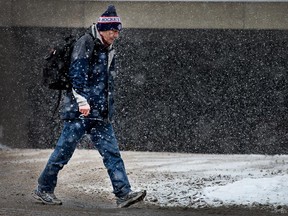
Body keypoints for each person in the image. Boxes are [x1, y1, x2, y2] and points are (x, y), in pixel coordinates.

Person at [32, 5, 146, 208]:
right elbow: (77, 74)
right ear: (103, 29)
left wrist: (105, 109)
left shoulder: (108, 49)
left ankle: (123, 193)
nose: (116, 35)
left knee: (112, 154)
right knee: (63, 153)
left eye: (118, 31)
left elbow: (107, 83)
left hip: (99, 113)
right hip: (80, 112)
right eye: (113, 31)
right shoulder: (86, 42)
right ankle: (43, 189)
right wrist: (82, 102)